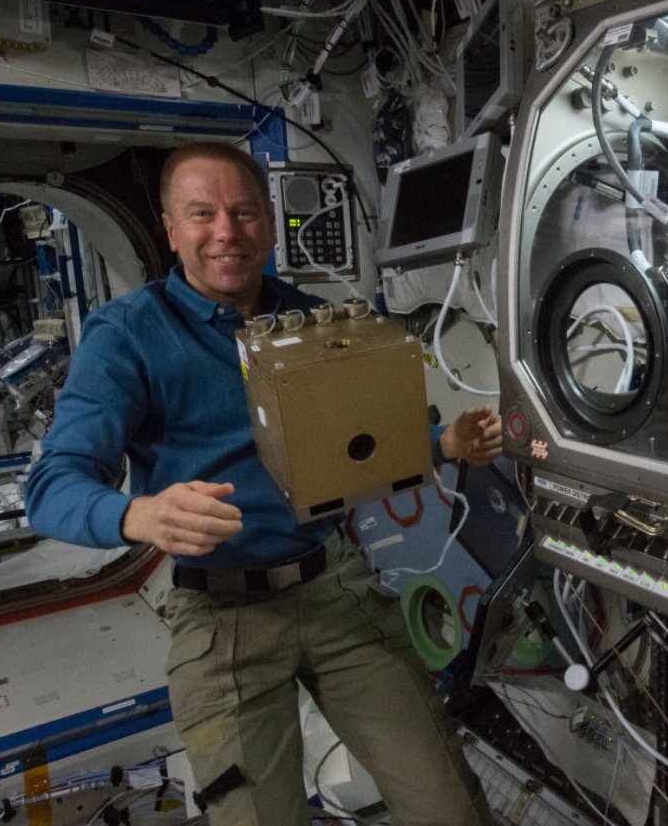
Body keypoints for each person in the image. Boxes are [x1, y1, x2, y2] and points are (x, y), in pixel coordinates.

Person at [25, 141, 500, 826]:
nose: (226, 231)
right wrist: (139, 514)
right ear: (170, 228)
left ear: (270, 226)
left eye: (244, 212)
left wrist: (441, 444)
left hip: (333, 587)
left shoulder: (314, 320)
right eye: (202, 213)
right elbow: (52, 485)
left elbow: (354, 451)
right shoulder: (126, 336)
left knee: (450, 807)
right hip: (222, 618)